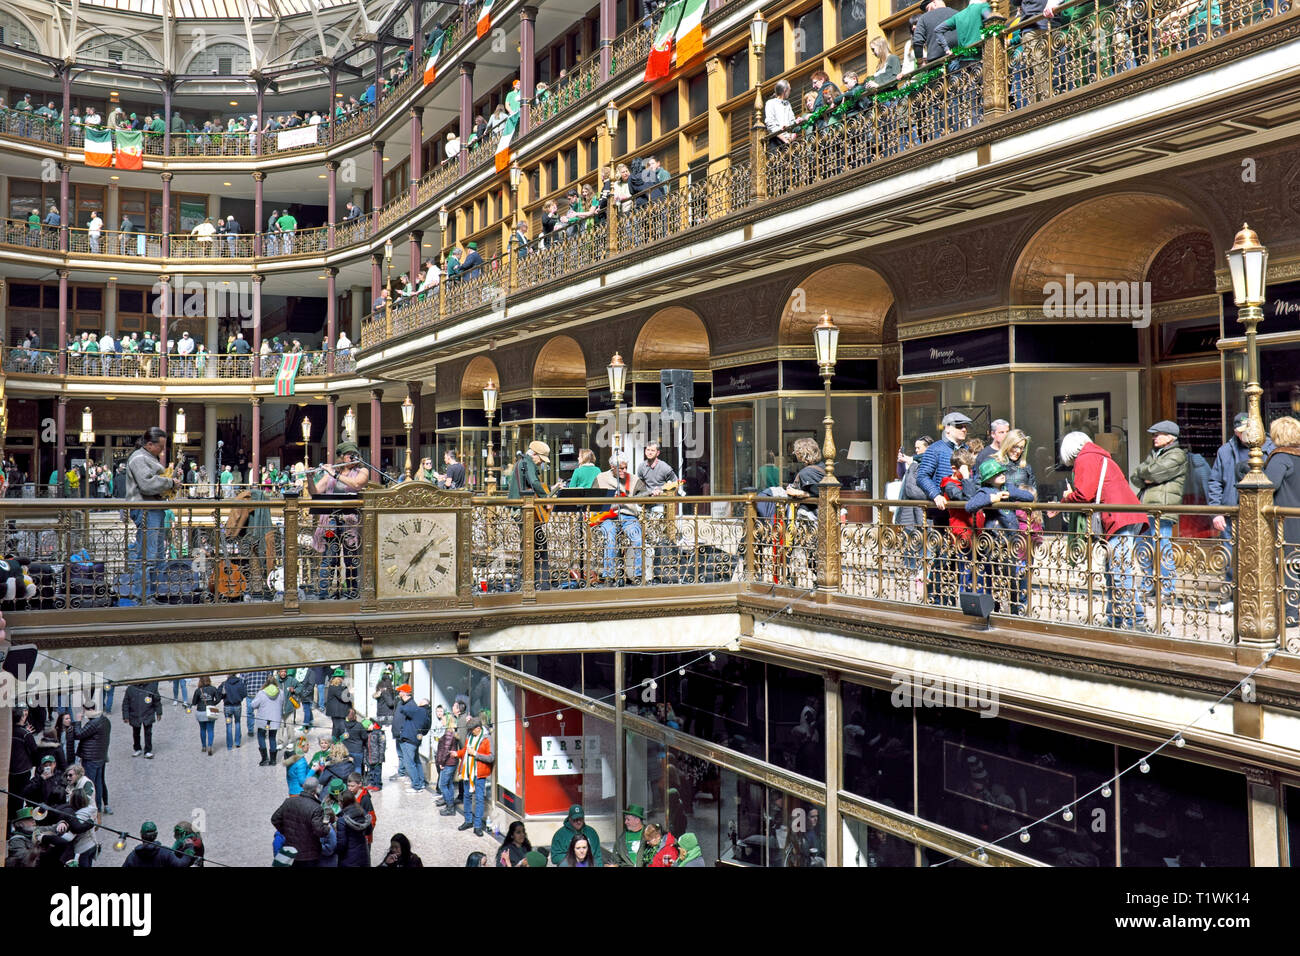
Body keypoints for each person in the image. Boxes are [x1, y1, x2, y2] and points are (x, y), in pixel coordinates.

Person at [1056, 431, 1149, 630]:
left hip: (1118, 519)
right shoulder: (1098, 455)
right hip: (1124, 517)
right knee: (1113, 571)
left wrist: (1065, 498)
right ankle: (1115, 618)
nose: (1072, 466)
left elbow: (1084, 494)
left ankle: (1136, 621)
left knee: (1119, 572)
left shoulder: (1086, 458)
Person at [1206, 412, 1270, 613]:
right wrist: (1216, 512)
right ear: (1235, 431)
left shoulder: (1270, 448)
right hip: (1232, 512)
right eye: (1242, 431)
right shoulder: (1226, 451)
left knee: (1264, 559)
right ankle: (1233, 598)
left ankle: (1264, 599)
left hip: (1262, 514)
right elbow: (1215, 481)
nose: (1247, 435)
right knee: (1232, 558)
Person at [1130, 420, 1188, 606]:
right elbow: (1135, 475)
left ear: (1170, 436)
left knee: (1162, 549)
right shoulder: (1155, 454)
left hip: (1162, 510)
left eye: (1158, 434)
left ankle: (1168, 590)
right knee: (1142, 547)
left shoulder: (1178, 455)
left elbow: (1154, 473)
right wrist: (1144, 474)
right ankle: (1149, 586)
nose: (1154, 437)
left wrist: (1146, 475)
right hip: (1146, 507)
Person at [123, 427, 181, 602]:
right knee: (147, 556)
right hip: (146, 509)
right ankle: (144, 596)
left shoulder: (148, 457)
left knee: (156, 555)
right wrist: (170, 482)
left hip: (154, 508)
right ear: (149, 444)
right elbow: (147, 484)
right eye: (160, 446)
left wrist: (169, 481)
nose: (163, 450)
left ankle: (154, 594)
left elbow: (156, 480)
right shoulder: (139, 458)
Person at [311, 441, 372, 598]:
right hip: (331, 521)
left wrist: (336, 475)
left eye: (354, 454)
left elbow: (357, 484)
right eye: (349, 454)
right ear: (341, 457)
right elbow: (315, 492)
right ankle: (324, 594)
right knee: (329, 558)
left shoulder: (362, 471)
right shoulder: (330, 473)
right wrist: (310, 478)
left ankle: (352, 592)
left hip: (349, 521)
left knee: (350, 558)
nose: (353, 457)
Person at [1265, 416, 1300, 629]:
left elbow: (1267, 486)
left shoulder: (1281, 457)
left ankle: (1291, 615)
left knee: (1288, 568)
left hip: (1287, 524)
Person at [594, 455, 647, 585]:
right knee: (610, 538)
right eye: (621, 468)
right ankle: (609, 576)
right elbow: (594, 498)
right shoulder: (601, 478)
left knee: (638, 538)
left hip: (628, 516)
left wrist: (652, 493)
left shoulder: (633, 479)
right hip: (607, 518)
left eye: (625, 468)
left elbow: (644, 493)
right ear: (612, 468)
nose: (624, 470)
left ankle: (638, 575)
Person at [271, 776, 331, 867]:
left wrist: (286, 831)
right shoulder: (316, 808)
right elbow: (319, 831)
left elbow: (275, 819)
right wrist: (327, 828)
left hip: (291, 850)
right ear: (315, 790)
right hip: (309, 854)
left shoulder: (289, 802)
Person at [455, 716, 494, 836]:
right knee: (466, 797)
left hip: (479, 773)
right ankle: (468, 820)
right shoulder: (469, 736)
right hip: (467, 772)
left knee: (479, 799)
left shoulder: (487, 739)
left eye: (472, 729)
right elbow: (465, 750)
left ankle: (477, 826)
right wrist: (457, 753)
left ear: (478, 728)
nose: (471, 731)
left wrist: (476, 754)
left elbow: (491, 757)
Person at [74, 700, 112, 815]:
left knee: (90, 784)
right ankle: (100, 806)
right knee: (99, 782)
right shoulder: (105, 720)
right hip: (101, 757)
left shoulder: (93, 723)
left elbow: (78, 734)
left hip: (91, 758)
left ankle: (93, 808)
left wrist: (78, 721)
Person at [393, 684, 428, 792]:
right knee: (415, 761)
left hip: (409, 739)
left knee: (409, 762)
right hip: (409, 738)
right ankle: (420, 782)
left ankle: (416, 785)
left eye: (400, 691)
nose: (399, 693)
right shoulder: (411, 707)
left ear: (404, 692)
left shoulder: (412, 707)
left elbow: (405, 713)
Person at [122, 821, 195, 868]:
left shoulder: (133, 856)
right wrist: (189, 848)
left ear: (141, 835)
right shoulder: (165, 853)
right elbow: (180, 865)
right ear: (156, 835)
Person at [122, 681, 162, 758]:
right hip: (135, 714)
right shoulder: (130, 689)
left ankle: (148, 750)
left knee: (148, 733)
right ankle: (137, 748)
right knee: (136, 733)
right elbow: (125, 703)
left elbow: (157, 700)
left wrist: (159, 712)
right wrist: (125, 716)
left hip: (148, 713)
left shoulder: (152, 687)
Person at [250, 678, 284, 766]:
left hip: (263, 719)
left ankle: (264, 758)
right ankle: (273, 760)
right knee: (272, 737)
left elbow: (254, 705)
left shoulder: (261, 693)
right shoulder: (281, 692)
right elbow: (282, 703)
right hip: (275, 719)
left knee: (261, 736)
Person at [335, 790, 372, 866]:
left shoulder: (342, 821)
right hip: (363, 856)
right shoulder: (363, 813)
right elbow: (369, 831)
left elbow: (342, 845)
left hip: (348, 859)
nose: (338, 803)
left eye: (339, 801)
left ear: (342, 803)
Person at [191, 676, 221, 756]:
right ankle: (210, 746)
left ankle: (204, 746)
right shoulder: (213, 689)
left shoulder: (198, 690)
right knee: (210, 730)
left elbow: (194, 702)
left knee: (202, 729)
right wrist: (212, 704)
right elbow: (218, 699)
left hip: (200, 711)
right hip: (211, 711)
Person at [435, 713, 459, 815]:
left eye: (444, 719)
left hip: (448, 763)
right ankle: (449, 803)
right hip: (450, 762)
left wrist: (441, 762)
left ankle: (450, 806)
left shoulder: (449, 733)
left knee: (442, 785)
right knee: (449, 784)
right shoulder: (450, 732)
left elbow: (445, 750)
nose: (442, 720)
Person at [218, 672, 247, 750]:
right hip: (237, 706)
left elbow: (219, 694)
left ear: (228, 674)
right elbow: (244, 693)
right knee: (237, 723)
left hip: (227, 707)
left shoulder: (224, 684)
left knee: (229, 725)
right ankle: (237, 742)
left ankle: (229, 745)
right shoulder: (240, 682)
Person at [764, 78, 798, 146]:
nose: (790, 92)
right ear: (785, 90)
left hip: (789, 139)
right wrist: (784, 139)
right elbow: (770, 124)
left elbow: (792, 120)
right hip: (776, 140)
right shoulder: (770, 103)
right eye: (789, 90)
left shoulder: (787, 103)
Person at [325, 668, 353, 739]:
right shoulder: (336, 686)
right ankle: (338, 744)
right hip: (338, 713)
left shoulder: (337, 685)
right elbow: (343, 697)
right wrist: (350, 692)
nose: (344, 679)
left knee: (336, 729)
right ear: (340, 678)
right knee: (340, 730)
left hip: (338, 712)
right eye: (343, 677)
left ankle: (335, 744)